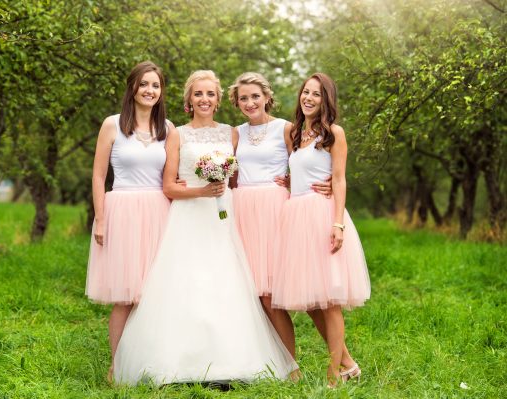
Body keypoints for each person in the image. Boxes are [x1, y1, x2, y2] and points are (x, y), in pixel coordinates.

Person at [114, 70, 298, 385]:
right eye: (198, 94)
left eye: (210, 94)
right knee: (187, 284)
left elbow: (244, 174)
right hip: (188, 217)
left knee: (226, 282)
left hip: (224, 218)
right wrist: (201, 190)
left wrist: (286, 179)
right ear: (189, 100)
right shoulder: (177, 134)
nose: (204, 99)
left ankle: (227, 359)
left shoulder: (231, 134)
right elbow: (169, 187)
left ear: (218, 100)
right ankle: (182, 360)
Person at [272, 73, 370, 387]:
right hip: (296, 215)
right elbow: (298, 170)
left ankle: (334, 374)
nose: (309, 98)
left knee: (329, 300)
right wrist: (287, 183)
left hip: (322, 214)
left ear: (326, 99)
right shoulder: (295, 133)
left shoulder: (334, 134)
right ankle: (349, 363)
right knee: (312, 301)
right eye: (305, 92)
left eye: (316, 94)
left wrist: (338, 223)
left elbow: (339, 179)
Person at [228, 72, 332, 359]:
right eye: (243, 98)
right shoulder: (236, 133)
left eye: (255, 96)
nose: (250, 103)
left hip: (277, 211)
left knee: (299, 288)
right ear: (237, 103)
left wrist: (332, 181)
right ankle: (289, 365)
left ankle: (343, 358)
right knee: (263, 294)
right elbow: (231, 177)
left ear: (267, 98)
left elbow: (306, 162)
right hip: (245, 212)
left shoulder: (286, 129)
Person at [85, 61, 172, 381]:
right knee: (126, 294)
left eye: (156, 86)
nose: (150, 91)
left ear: (162, 92)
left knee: (153, 293)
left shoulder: (169, 129)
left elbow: (175, 176)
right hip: (121, 208)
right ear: (132, 88)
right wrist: (101, 218)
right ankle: (117, 366)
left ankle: (151, 363)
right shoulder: (112, 125)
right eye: (144, 84)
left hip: (159, 212)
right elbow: (97, 176)